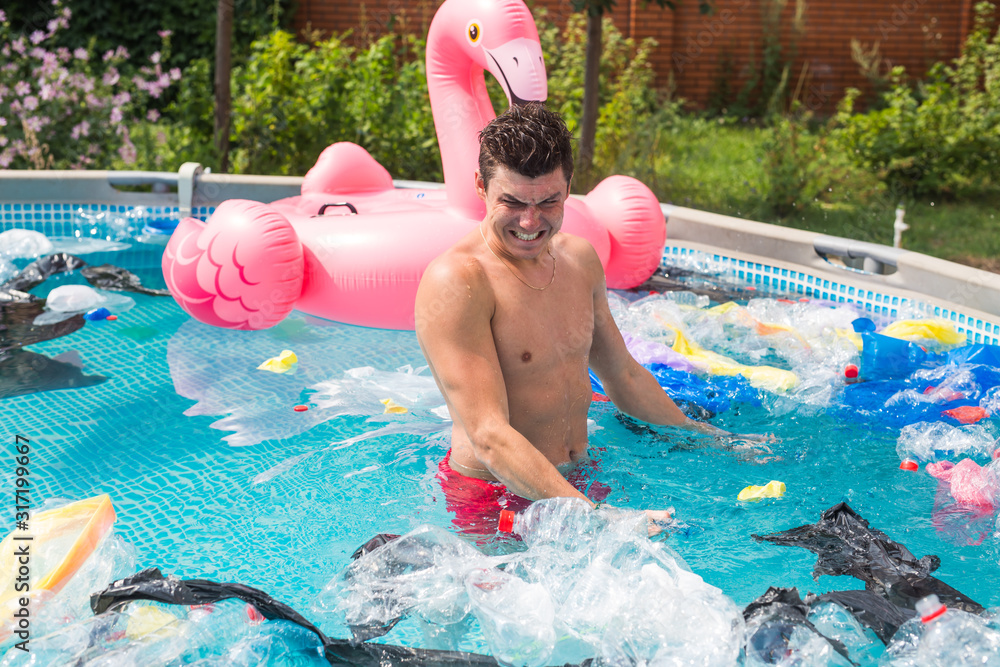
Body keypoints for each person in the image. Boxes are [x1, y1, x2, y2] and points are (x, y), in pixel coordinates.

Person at [415, 103, 746, 535]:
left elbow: (622, 374)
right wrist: (598, 519)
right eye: (511, 202)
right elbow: (488, 435)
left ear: (569, 187)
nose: (530, 222)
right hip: (495, 497)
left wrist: (706, 437)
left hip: (577, 481)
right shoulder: (459, 282)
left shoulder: (579, 260)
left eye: (548, 202)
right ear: (481, 186)